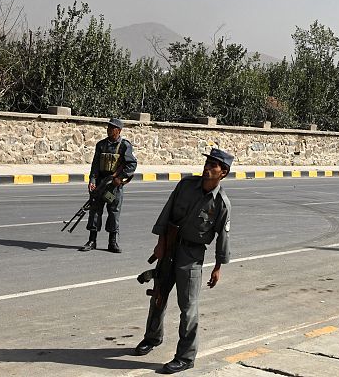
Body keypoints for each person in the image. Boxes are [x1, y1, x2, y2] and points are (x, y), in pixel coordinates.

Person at [134, 148, 233, 374]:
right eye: (207, 163)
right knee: (158, 296)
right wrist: (160, 244)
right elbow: (167, 213)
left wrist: (217, 267)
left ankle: (186, 357)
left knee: (188, 309)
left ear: (223, 172)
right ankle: (152, 338)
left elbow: (223, 237)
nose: (207, 168)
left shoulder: (221, 204)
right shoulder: (186, 186)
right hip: (169, 248)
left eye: (213, 166)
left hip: (191, 257)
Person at [79, 118, 137, 253]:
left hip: (113, 186)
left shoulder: (124, 146)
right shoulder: (101, 145)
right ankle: (92, 240)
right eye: (108, 127)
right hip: (101, 184)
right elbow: (95, 165)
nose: (109, 130)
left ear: (119, 130)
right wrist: (92, 181)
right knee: (95, 211)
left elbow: (131, 164)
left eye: (112, 128)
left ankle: (112, 242)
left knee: (113, 212)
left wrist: (120, 178)